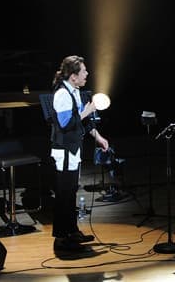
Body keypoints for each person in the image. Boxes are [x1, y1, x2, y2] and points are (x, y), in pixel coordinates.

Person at [49, 55, 110, 253]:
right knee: (63, 194)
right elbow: (66, 123)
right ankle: (61, 238)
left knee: (71, 192)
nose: (87, 74)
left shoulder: (75, 91)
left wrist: (99, 137)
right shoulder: (62, 94)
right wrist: (88, 110)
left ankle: (72, 231)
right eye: (83, 71)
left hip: (74, 150)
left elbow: (84, 122)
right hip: (64, 151)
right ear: (73, 76)